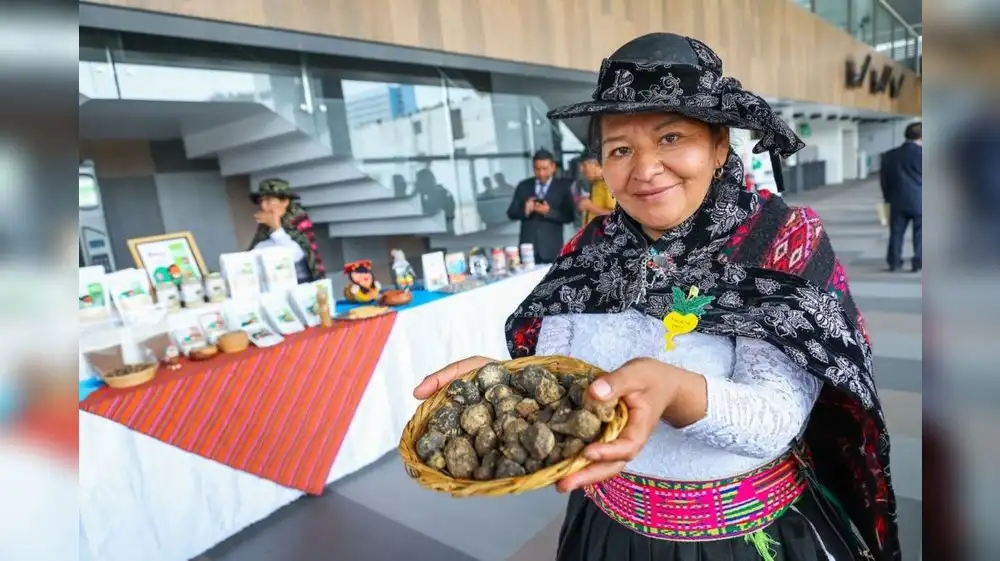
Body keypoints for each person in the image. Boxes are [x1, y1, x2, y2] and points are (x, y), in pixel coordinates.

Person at [415, 33, 899, 561]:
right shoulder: (592, 247)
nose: (644, 169)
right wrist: (495, 388)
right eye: (620, 149)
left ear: (719, 145)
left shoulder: (780, 235)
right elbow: (563, 376)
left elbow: (775, 419)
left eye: (671, 138)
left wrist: (675, 390)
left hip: (744, 538)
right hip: (606, 531)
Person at [248, 178, 326, 282]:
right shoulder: (265, 225)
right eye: (261, 201)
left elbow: (297, 256)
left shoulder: (298, 219)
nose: (262, 205)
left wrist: (276, 227)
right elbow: (258, 249)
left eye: (268, 200)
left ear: (284, 202)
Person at [506, 149, 576, 263]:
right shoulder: (524, 186)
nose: (541, 173)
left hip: (552, 249)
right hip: (528, 248)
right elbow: (511, 213)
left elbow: (569, 217)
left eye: (545, 169)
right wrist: (526, 210)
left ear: (553, 167)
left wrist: (549, 212)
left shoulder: (563, 187)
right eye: (537, 169)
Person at [880, 122, 922, 272]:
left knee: (896, 232)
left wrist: (887, 199)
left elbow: (884, 180)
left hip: (897, 200)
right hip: (921, 200)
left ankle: (895, 261)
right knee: (921, 232)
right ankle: (918, 261)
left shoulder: (890, 155)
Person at [575, 152, 616, 226]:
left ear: (595, 164)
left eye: (584, 165)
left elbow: (616, 215)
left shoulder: (609, 183)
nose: (582, 170)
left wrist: (590, 207)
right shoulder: (596, 183)